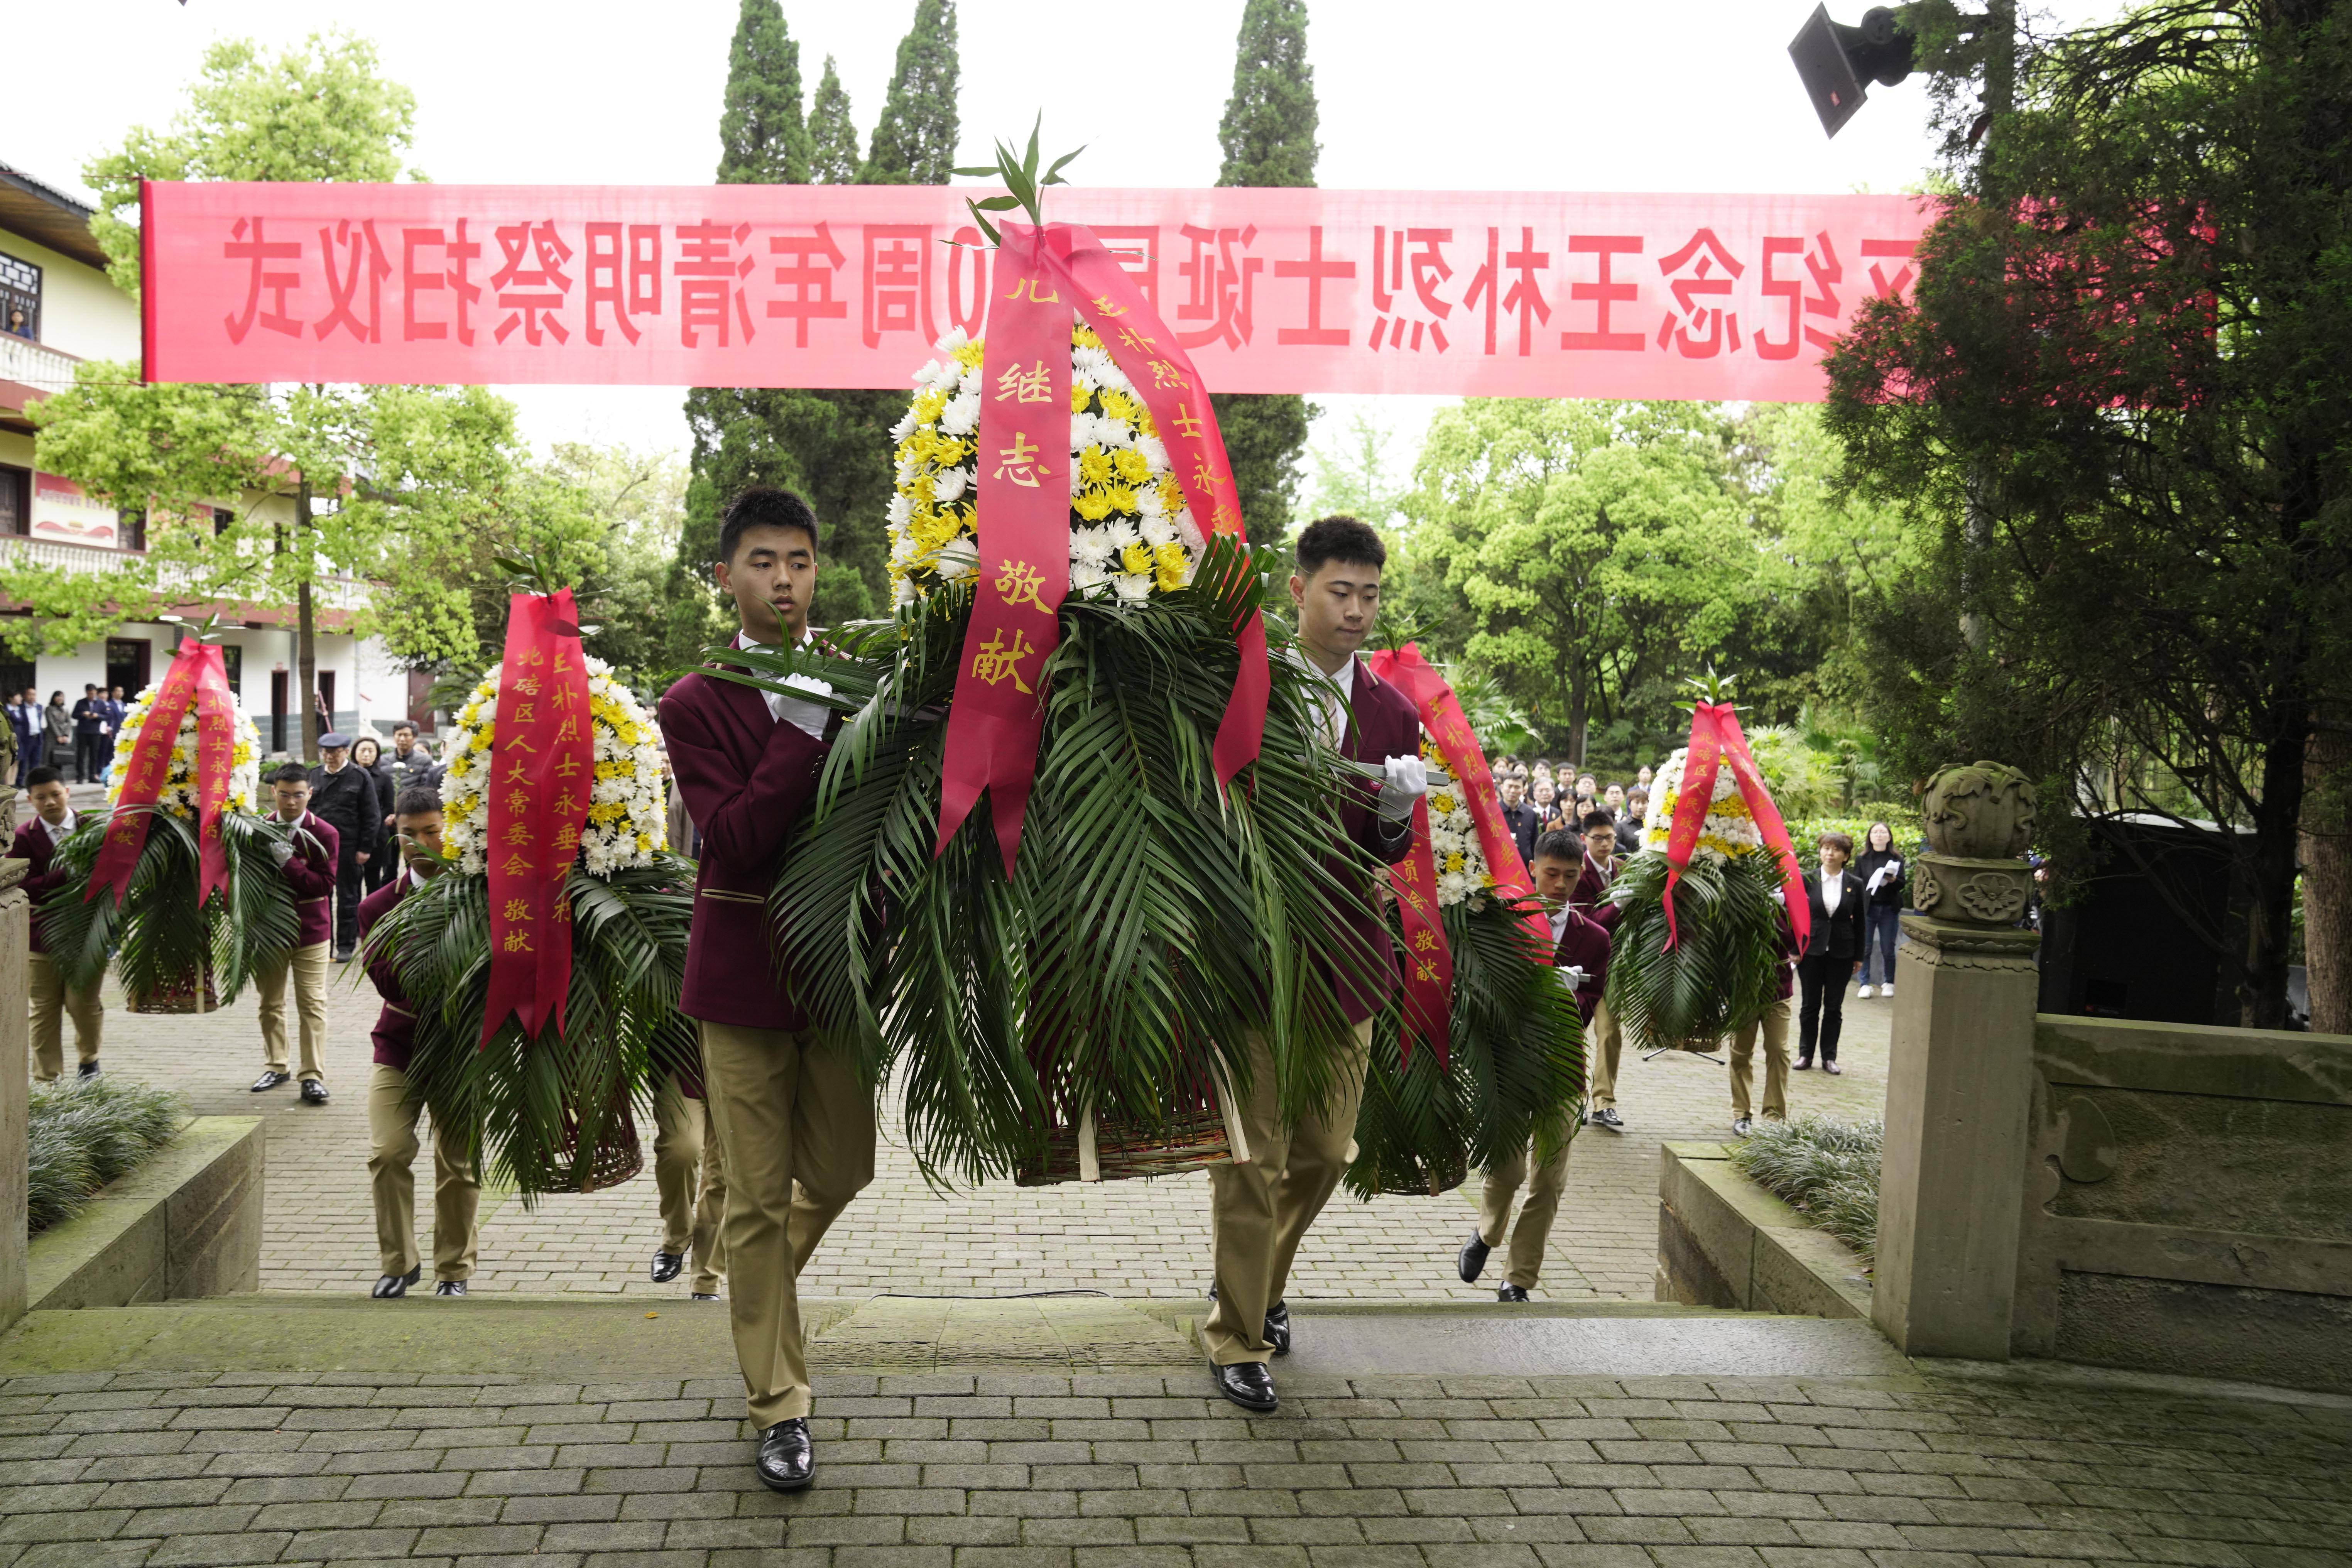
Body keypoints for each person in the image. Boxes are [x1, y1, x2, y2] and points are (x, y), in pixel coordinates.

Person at [657, 485, 875, 1494]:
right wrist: (797, 727)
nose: (783, 580)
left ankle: (757, 1293)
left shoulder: (865, 682)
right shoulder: (693, 703)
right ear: (726, 578)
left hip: (837, 979)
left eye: (798, 561)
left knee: (837, 1174)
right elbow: (735, 839)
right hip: (740, 982)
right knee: (752, 1200)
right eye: (761, 563)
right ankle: (778, 1404)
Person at [1203, 514, 1424, 1416]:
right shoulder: (1242, 685)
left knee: (1325, 1152)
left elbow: (1386, 844)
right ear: (1296, 590)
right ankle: (1233, 1330)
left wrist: (1394, 817)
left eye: (1370, 595)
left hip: (1347, 959)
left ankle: (1258, 1283)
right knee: (1248, 1157)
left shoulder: (1390, 711)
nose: (1357, 611)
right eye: (1340, 591)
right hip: (1254, 957)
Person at [1458, 827, 1607, 1302]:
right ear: (1532, 869)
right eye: (1551, 874)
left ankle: (1519, 1277)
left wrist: (1570, 995)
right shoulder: (1504, 922)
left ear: (1581, 874)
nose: (1560, 885)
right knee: (1507, 1172)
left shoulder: (1595, 937)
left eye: (1569, 876)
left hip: (1563, 1069)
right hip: (1507, 1067)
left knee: (1549, 1177)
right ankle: (1486, 1233)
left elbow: (1593, 998)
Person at [357, 786, 479, 1298]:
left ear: (450, 829)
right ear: (396, 834)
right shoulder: (377, 907)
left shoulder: (484, 896)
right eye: (409, 834)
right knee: (388, 1152)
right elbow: (390, 982)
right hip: (400, 1047)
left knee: (457, 1164)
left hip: (462, 1051)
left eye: (432, 831)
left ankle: (454, 1270)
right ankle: (398, 1263)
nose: (420, 842)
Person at [253, 763, 338, 1103]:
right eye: (285, 794)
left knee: (312, 1003)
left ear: (310, 794)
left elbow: (324, 884)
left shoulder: (325, 833)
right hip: (270, 931)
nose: (291, 802)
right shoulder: (258, 829)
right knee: (270, 1003)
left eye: (299, 795)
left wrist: (288, 863)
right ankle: (277, 1064)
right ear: (273, 792)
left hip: (311, 931)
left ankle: (312, 1075)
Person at [17, 767, 102, 1081]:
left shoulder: (92, 828)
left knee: (83, 1005)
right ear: (30, 801)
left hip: (87, 935)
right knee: (43, 1010)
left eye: (55, 794)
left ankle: (89, 1061)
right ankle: (46, 1078)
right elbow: (24, 886)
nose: (50, 802)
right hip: (39, 939)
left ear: (67, 792)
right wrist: (67, 873)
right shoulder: (23, 838)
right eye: (42, 798)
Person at [1571, 810, 1630, 1129]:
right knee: (1575, 1033)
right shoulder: (1576, 873)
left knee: (1609, 1033)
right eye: (1598, 838)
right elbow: (1588, 923)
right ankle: (1576, 1098)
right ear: (1585, 840)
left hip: (1614, 968)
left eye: (1610, 837)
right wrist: (1618, 905)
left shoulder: (1624, 869)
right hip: (1580, 966)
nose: (1605, 844)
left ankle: (1604, 1102)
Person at [651, 1066, 728, 1301]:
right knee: (680, 1151)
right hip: (683, 1056)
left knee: (724, 1173)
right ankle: (676, 1236)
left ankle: (708, 1280)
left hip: (746, 1057)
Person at [1796, 831, 1867, 1074]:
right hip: (1812, 951)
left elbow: (1861, 922)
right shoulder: (1807, 880)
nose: (1830, 853)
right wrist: (1796, 949)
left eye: (1836, 850)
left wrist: (1859, 956)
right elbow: (1797, 917)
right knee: (1809, 1006)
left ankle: (1829, 1057)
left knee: (1834, 1008)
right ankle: (1805, 1055)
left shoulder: (1854, 884)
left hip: (1842, 952)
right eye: (1826, 848)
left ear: (1846, 856)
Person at [307, 732, 381, 961]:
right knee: (321, 896)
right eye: (326, 753)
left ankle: (346, 946)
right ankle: (324, 945)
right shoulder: (314, 775)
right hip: (318, 847)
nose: (330, 757)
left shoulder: (359, 776)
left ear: (346, 752)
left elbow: (372, 815)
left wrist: (365, 848)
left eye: (335, 753)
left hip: (349, 846)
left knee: (349, 897)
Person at [1730, 901, 1799, 1136]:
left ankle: (1774, 1117)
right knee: (1741, 1052)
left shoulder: (1790, 898)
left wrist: (1775, 911)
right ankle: (1741, 1114)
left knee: (1779, 1050)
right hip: (1745, 989)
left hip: (1778, 989)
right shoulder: (1740, 893)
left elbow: (1791, 941)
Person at [1855, 821, 1907, 999]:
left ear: (1889, 836)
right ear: (1870, 837)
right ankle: (1864, 983)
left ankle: (1889, 982)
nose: (1879, 835)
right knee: (1866, 947)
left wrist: (1893, 881)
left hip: (1889, 909)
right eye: (1875, 832)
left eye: (1883, 832)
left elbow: (1902, 884)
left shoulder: (1897, 859)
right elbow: (1857, 883)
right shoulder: (1862, 858)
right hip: (1868, 908)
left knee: (1888, 948)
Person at [350, 735, 398, 893]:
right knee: (352, 880)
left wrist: (371, 818)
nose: (366, 754)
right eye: (362, 750)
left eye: (371, 751)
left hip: (376, 834)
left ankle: (373, 915)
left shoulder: (384, 778)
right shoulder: (349, 777)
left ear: (377, 754)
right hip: (352, 833)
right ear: (354, 753)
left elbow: (389, 806)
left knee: (373, 880)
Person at [1498, 775, 1538, 868]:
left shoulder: (1530, 813)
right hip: (1500, 868)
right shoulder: (1493, 812)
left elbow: (1534, 843)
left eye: (1517, 787)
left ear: (1524, 790)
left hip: (1525, 869)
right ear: (1502, 788)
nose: (1513, 791)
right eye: (1510, 786)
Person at [7, 689, 39, 786]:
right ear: (11, 698)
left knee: (18, 761)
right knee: (11, 762)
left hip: (20, 738)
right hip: (10, 738)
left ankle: (13, 783)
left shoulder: (19, 710)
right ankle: (9, 783)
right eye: (18, 696)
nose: (20, 698)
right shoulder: (6, 710)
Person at [57, 691, 89, 782]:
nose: (60, 699)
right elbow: (52, 723)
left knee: (62, 758)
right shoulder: (81, 703)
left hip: (65, 735)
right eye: (58, 697)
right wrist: (59, 735)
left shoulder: (65, 709)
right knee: (80, 755)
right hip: (57, 736)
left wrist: (66, 735)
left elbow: (69, 722)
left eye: (62, 697)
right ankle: (80, 777)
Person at [1617, 786, 1649, 855]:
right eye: (1637, 803)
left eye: (1644, 803)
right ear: (1629, 805)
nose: (1640, 807)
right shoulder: (1621, 826)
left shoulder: (1652, 825)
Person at [103, 686, 128, 769]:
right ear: (113, 693)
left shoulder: (125, 705)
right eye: (118, 691)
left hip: (122, 732)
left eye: (121, 691)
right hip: (112, 732)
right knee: (110, 752)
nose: (120, 693)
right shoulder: (109, 704)